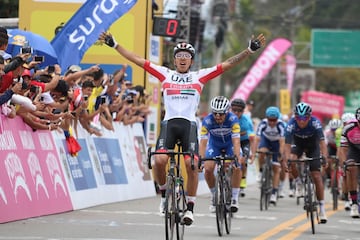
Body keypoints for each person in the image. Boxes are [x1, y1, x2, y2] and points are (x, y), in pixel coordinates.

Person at [99, 31, 266, 225]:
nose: (183, 59)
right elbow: (137, 59)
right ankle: (164, 195)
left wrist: (248, 51)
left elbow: (227, 64)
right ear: (175, 59)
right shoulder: (165, 74)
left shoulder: (199, 77)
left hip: (189, 126)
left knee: (191, 165)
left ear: (191, 60)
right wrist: (115, 44)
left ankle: (190, 208)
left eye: (187, 57)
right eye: (179, 56)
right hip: (169, 124)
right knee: (159, 161)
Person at [283, 102, 329, 223]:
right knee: (292, 159)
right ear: (295, 117)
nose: (301, 121)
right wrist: (286, 160)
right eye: (298, 118)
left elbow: (322, 143)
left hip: (313, 146)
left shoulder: (315, 123)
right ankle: (298, 182)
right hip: (298, 144)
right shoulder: (291, 124)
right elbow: (287, 146)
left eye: (304, 118)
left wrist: (324, 157)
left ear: (309, 117)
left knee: (317, 176)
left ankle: (322, 209)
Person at [199, 96, 244, 213]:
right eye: (215, 113)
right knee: (208, 169)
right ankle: (214, 195)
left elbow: (236, 141)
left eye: (221, 114)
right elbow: (203, 143)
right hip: (214, 145)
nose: (218, 116)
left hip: (230, 145)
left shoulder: (233, 119)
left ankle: (234, 197)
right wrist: (201, 159)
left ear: (227, 112)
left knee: (238, 166)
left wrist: (236, 157)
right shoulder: (207, 121)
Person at [253, 106, 285, 204]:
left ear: (277, 118)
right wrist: (254, 153)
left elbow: (282, 142)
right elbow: (257, 139)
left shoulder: (281, 125)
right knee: (262, 151)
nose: (271, 123)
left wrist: (280, 154)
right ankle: (261, 171)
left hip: (276, 143)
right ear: (267, 118)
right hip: (266, 140)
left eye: (274, 120)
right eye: (270, 120)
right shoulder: (263, 124)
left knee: (276, 168)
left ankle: (274, 193)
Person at [230, 98, 256, 197]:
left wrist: (253, 154)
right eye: (234, 110)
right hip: (231, 141)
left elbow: (252, 139)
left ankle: (243, 180)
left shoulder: (246, 121)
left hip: (243, 141)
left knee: (242, 161)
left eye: (239, 111)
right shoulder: (226, 118)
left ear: (243, 111)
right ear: (230, 109)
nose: (236, 112)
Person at [339, 108, 360, 218]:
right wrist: (344, 163)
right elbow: (343, 148)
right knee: (351, 168)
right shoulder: (348, 128)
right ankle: (354, 204)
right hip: (354, 150)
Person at [337, 112, 355, 211]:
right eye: (345, 124)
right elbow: (340, 148)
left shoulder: (355, 129)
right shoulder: (340, 131)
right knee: (345, 175)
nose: (346, 126)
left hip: (354, 150)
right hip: (344, 150)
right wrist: (342, 162)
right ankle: (346, 199)